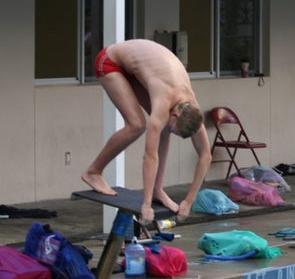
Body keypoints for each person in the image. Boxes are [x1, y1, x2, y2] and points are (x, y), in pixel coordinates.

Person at [81, 39, 212, 223]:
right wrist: (146, 204)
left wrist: (188, 201)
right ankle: (93, 172)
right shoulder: (163, 102)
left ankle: (158, 189)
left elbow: (205, 155)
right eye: (174, 128)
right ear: (174, 113)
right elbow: (150, 156)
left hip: (137, 68)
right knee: (136, 125)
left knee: (162, 130)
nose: (171, 130)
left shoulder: (192, 108)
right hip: (110, 61)